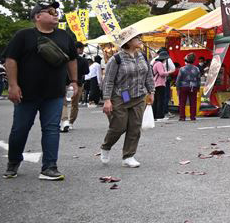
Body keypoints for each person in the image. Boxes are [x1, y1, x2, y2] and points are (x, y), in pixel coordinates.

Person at [2, 0, 77, 180]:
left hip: (55, 93)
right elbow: (10, 60)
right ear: (37, 16)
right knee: (20, 129)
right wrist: (13, 85)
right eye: (50, 11)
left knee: (51, 129)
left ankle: (49, 167)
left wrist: (74, 81)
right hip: (26, 93)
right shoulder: (23, 36)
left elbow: (72, 59)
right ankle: (13, 161)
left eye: (56, 11)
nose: (55, 14)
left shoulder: (65, 36)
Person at [100, 27, 154, 168]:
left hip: (139, 95)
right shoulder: (116, 59)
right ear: (128, 41)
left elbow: (148, 75)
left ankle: (128, 156)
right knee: (119, 126)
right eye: (137, 38)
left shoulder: (142, 56)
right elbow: (109, 80)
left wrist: (151, 91)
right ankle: (106, 146)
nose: (140, 40)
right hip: (121, 95)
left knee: (135, 127)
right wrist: (107, 99)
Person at [60, 42, 90, 132]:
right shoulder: (84, 60)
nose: (82, 50)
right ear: (78, 48)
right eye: (82, 49)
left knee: (64, 103)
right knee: (74, 104)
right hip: (78, 84)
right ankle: (71, 122)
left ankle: (64, 120)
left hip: (65, 83)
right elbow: (86, 72)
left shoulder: (65, 58)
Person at [176, 53, 201, 121]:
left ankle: (182, 117)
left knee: (182, 102)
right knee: (193, 102)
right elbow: (199, 79)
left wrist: (177, 88)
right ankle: (192, 117)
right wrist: (198, 87)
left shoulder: (182, 69)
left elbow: (178, 79)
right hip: (193, 86)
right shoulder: (197, 69)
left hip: (183, 87)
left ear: (186, 60)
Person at [151, 50, 171, 121]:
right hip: (159, 84)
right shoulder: (159, 64)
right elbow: (162, 73)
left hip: (156, 84)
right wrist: (168, 72)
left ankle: (155, 115)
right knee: (160, 100)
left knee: (156, 100)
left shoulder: (155, 63)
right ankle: (160, 115)